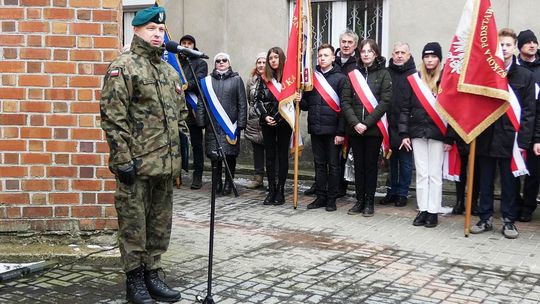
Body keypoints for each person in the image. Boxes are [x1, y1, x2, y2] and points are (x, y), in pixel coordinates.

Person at [100, 6, 185, 304]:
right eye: (151, 29)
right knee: (134, 226)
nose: (158, 34)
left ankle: (153, 275)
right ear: (136, 30)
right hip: (135, 166)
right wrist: (122, 159)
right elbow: (113, 117)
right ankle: (134, 281)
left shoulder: (168, 71)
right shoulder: (123, 67)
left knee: (160, 225)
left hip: (164, 166)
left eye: (161, 30)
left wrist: (181, 151)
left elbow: (180, 114)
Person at [470, 28, 535, 239]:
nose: (504, 48)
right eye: (501, 45)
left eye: (508, 44)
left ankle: (509, 221)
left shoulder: (525, 75)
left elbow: (529, 112)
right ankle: (485, 218)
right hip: (487, 136)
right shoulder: (487, 73)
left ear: (515, 47)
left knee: (510, 183)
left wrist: (524, 141)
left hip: (511, 139)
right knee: (485, 181)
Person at [399, 42, 452, 228]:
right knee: (421, 173)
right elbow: (405, 107)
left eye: (433, 56)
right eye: (427, 56)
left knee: (435, 174)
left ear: (439, 58)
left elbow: (453, 109)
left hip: (438, 133)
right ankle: (422, 209)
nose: (430, 60)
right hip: (417, 132)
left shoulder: (445, 79)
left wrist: (450, 137)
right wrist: (404, 133)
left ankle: (433, 211)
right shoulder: (414, 79)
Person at [342, 39, 392, 217]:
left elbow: (385, 102)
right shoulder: (352, 74)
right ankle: (359, 200)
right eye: (363, 51)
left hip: (372, 130)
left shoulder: (384, 74)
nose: (366, 54)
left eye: (369, 51)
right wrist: (355, 123)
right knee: (358, 167)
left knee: (370, 166)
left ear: (375, 54)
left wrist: (366, 123)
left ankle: (369, 202)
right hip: (355, 129)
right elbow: (345, 101)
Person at [301, 44, 351, 211]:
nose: (322, 58)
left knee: (334, 165)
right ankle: (320, 197)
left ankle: (331, 199)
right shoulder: (312, 78)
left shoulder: (341, 79)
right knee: (319, 164)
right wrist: (299, 98)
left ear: (333, 58)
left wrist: (341, 132)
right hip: (316, 128)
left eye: (326, 55)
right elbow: (307, 105)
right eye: (320, 55)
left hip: (333, 131)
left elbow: (345, 108)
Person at [197, 52, 247, 196]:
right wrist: (201, 121)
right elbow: (202, 102)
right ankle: (216, 182)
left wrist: (241, 123)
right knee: (215, 157)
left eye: (224, 60)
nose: (221, 62)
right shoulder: (206, 81)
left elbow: (242, 103)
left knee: (230, 156)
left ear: (229, 63)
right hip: (212, 125)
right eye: (218, 61)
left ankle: (228, 183)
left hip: (230, 125)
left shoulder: (237, 80)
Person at [380, 42, 415, 208]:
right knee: (391, 162)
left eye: (403, 53)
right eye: (396, 52)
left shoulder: (414, 75)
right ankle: (392, 191)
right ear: (392, 55)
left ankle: (402, 193)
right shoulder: (386, 73)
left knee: (406, 163)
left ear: (408, 55)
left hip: (406, 126)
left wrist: (406, 129)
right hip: (389, 124)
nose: (399, 55)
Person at [256, 47, 292, 205]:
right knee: (269, 157)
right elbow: (257, 100)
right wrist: (265, 116)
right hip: (267, 122)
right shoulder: (263, 78)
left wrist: (277, 117)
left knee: (282, 156)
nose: (273, 60)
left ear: (281, 59)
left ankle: (280, 191)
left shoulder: (288, 79)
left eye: (276, 57)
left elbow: (289, 102)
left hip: (284, 122)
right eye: (270, 58)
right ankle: (271, 190)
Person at [178, 34, 208, 190]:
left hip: (193, 109)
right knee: (177, 143)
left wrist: (184, 86)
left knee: (197, 145)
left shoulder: (200, 62)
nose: (186, 45)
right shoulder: (175, 62)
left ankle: (198, 176)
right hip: (177, 108)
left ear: (194, 45)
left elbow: (199, 82)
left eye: (189, 43)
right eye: (184, 43)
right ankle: (177, 175)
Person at [516, 29, 540, 222]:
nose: (532, 45)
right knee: (515, 170)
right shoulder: (515, 68)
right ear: (520, 46)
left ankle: (528, 207)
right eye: (528, 42)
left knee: (534, 172)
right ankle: (516, 204)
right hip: (519, 125)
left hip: (537, 126)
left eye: (534, 42)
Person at [245, 52, 267, 189]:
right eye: (259, 62)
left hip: (268, 120)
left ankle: (272, 178)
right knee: (257, 151)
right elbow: (249, 99)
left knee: (272, 151)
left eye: (264, 62)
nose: (261, 65)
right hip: (254, 121)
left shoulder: (273, 79)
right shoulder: (251, 80)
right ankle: (258, 178)